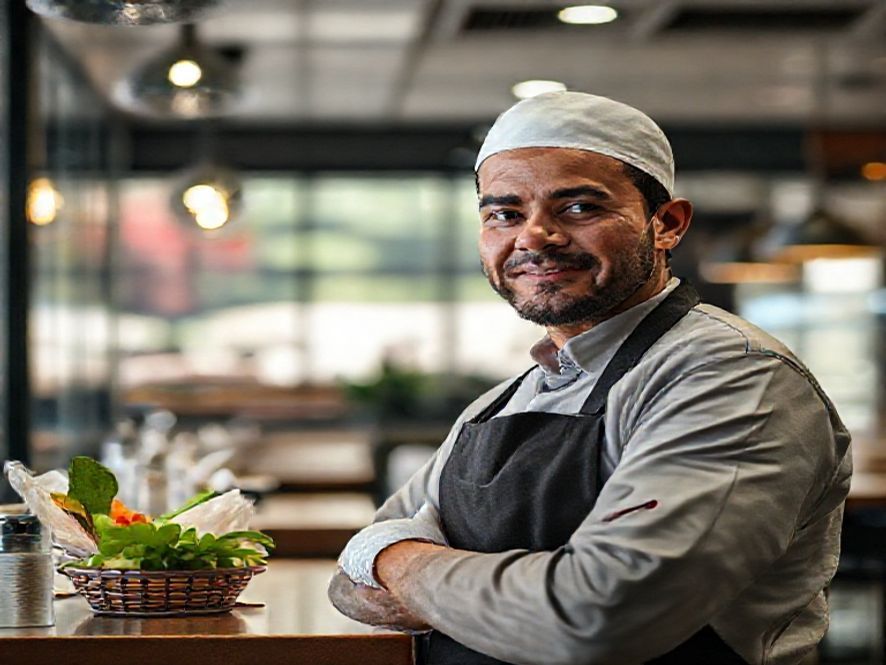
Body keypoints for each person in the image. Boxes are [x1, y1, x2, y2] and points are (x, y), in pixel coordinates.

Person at [327, 91, 852, 665]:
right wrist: (480, 587)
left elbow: (598, 617)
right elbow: (348, 581)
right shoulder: (501, 401)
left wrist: (400, 561)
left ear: (667, 224)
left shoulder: (733, 376)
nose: (533, 237)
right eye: (503, 214)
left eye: (577, 208)